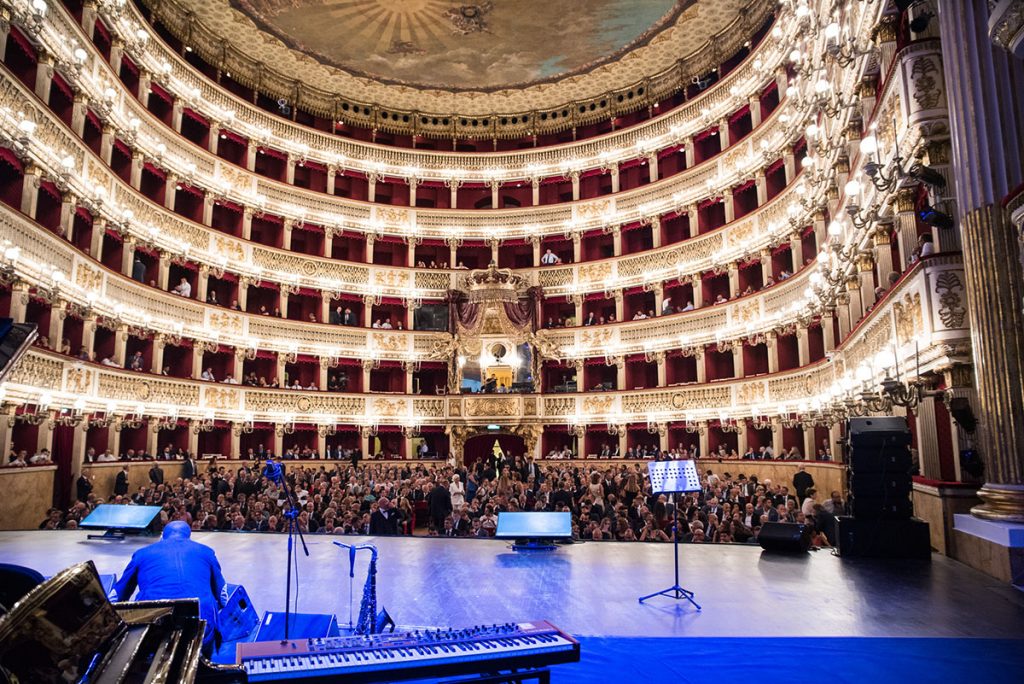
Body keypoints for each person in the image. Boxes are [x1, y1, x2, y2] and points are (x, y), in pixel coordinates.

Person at [113, 521, 228, 651]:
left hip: (152, 621)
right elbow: (223, 594)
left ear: (163, 535)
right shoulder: (206, 552)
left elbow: (118, 593)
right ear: (188, 535)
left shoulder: (141, 554)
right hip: (200, 624)